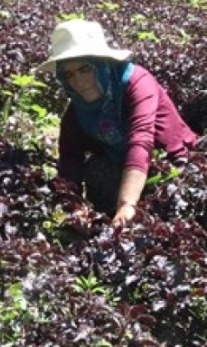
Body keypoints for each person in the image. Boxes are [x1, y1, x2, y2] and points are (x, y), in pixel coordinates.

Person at [37, 19, 197, 225]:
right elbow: (69, 163)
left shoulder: (137, 83)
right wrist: (74, 207)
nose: (78, 81)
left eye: (85, 69)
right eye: (69, 74)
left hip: (172, 164)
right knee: (96, 168)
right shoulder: (75, 114)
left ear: (101, 64)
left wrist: (126, 206)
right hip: (124, 170)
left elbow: (142, 140)